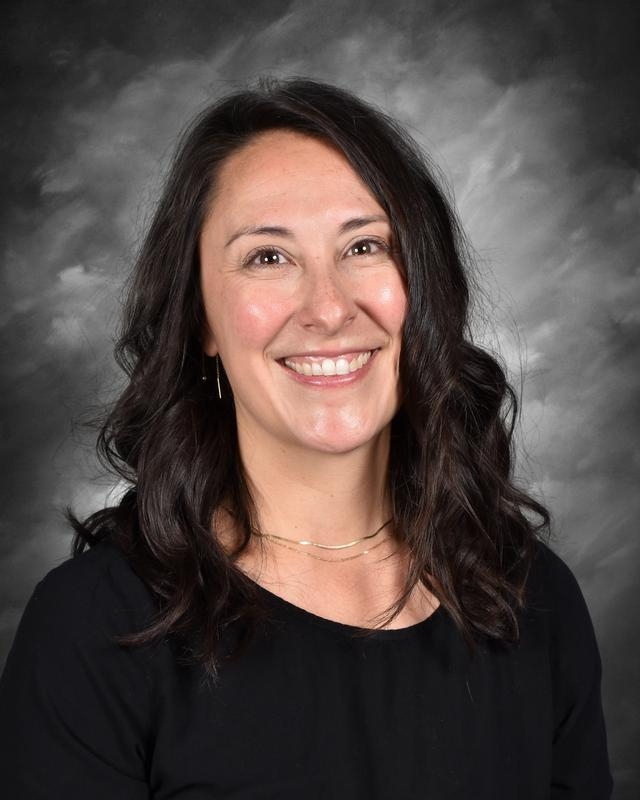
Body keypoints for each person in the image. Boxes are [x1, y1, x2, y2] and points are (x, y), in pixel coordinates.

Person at [0, 78, 612, 798]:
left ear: (422, 288)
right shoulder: (93, 630)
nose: (328, 307)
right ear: (200, 320)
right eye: (269, 257)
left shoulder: (532, 601)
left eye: (364, 246)